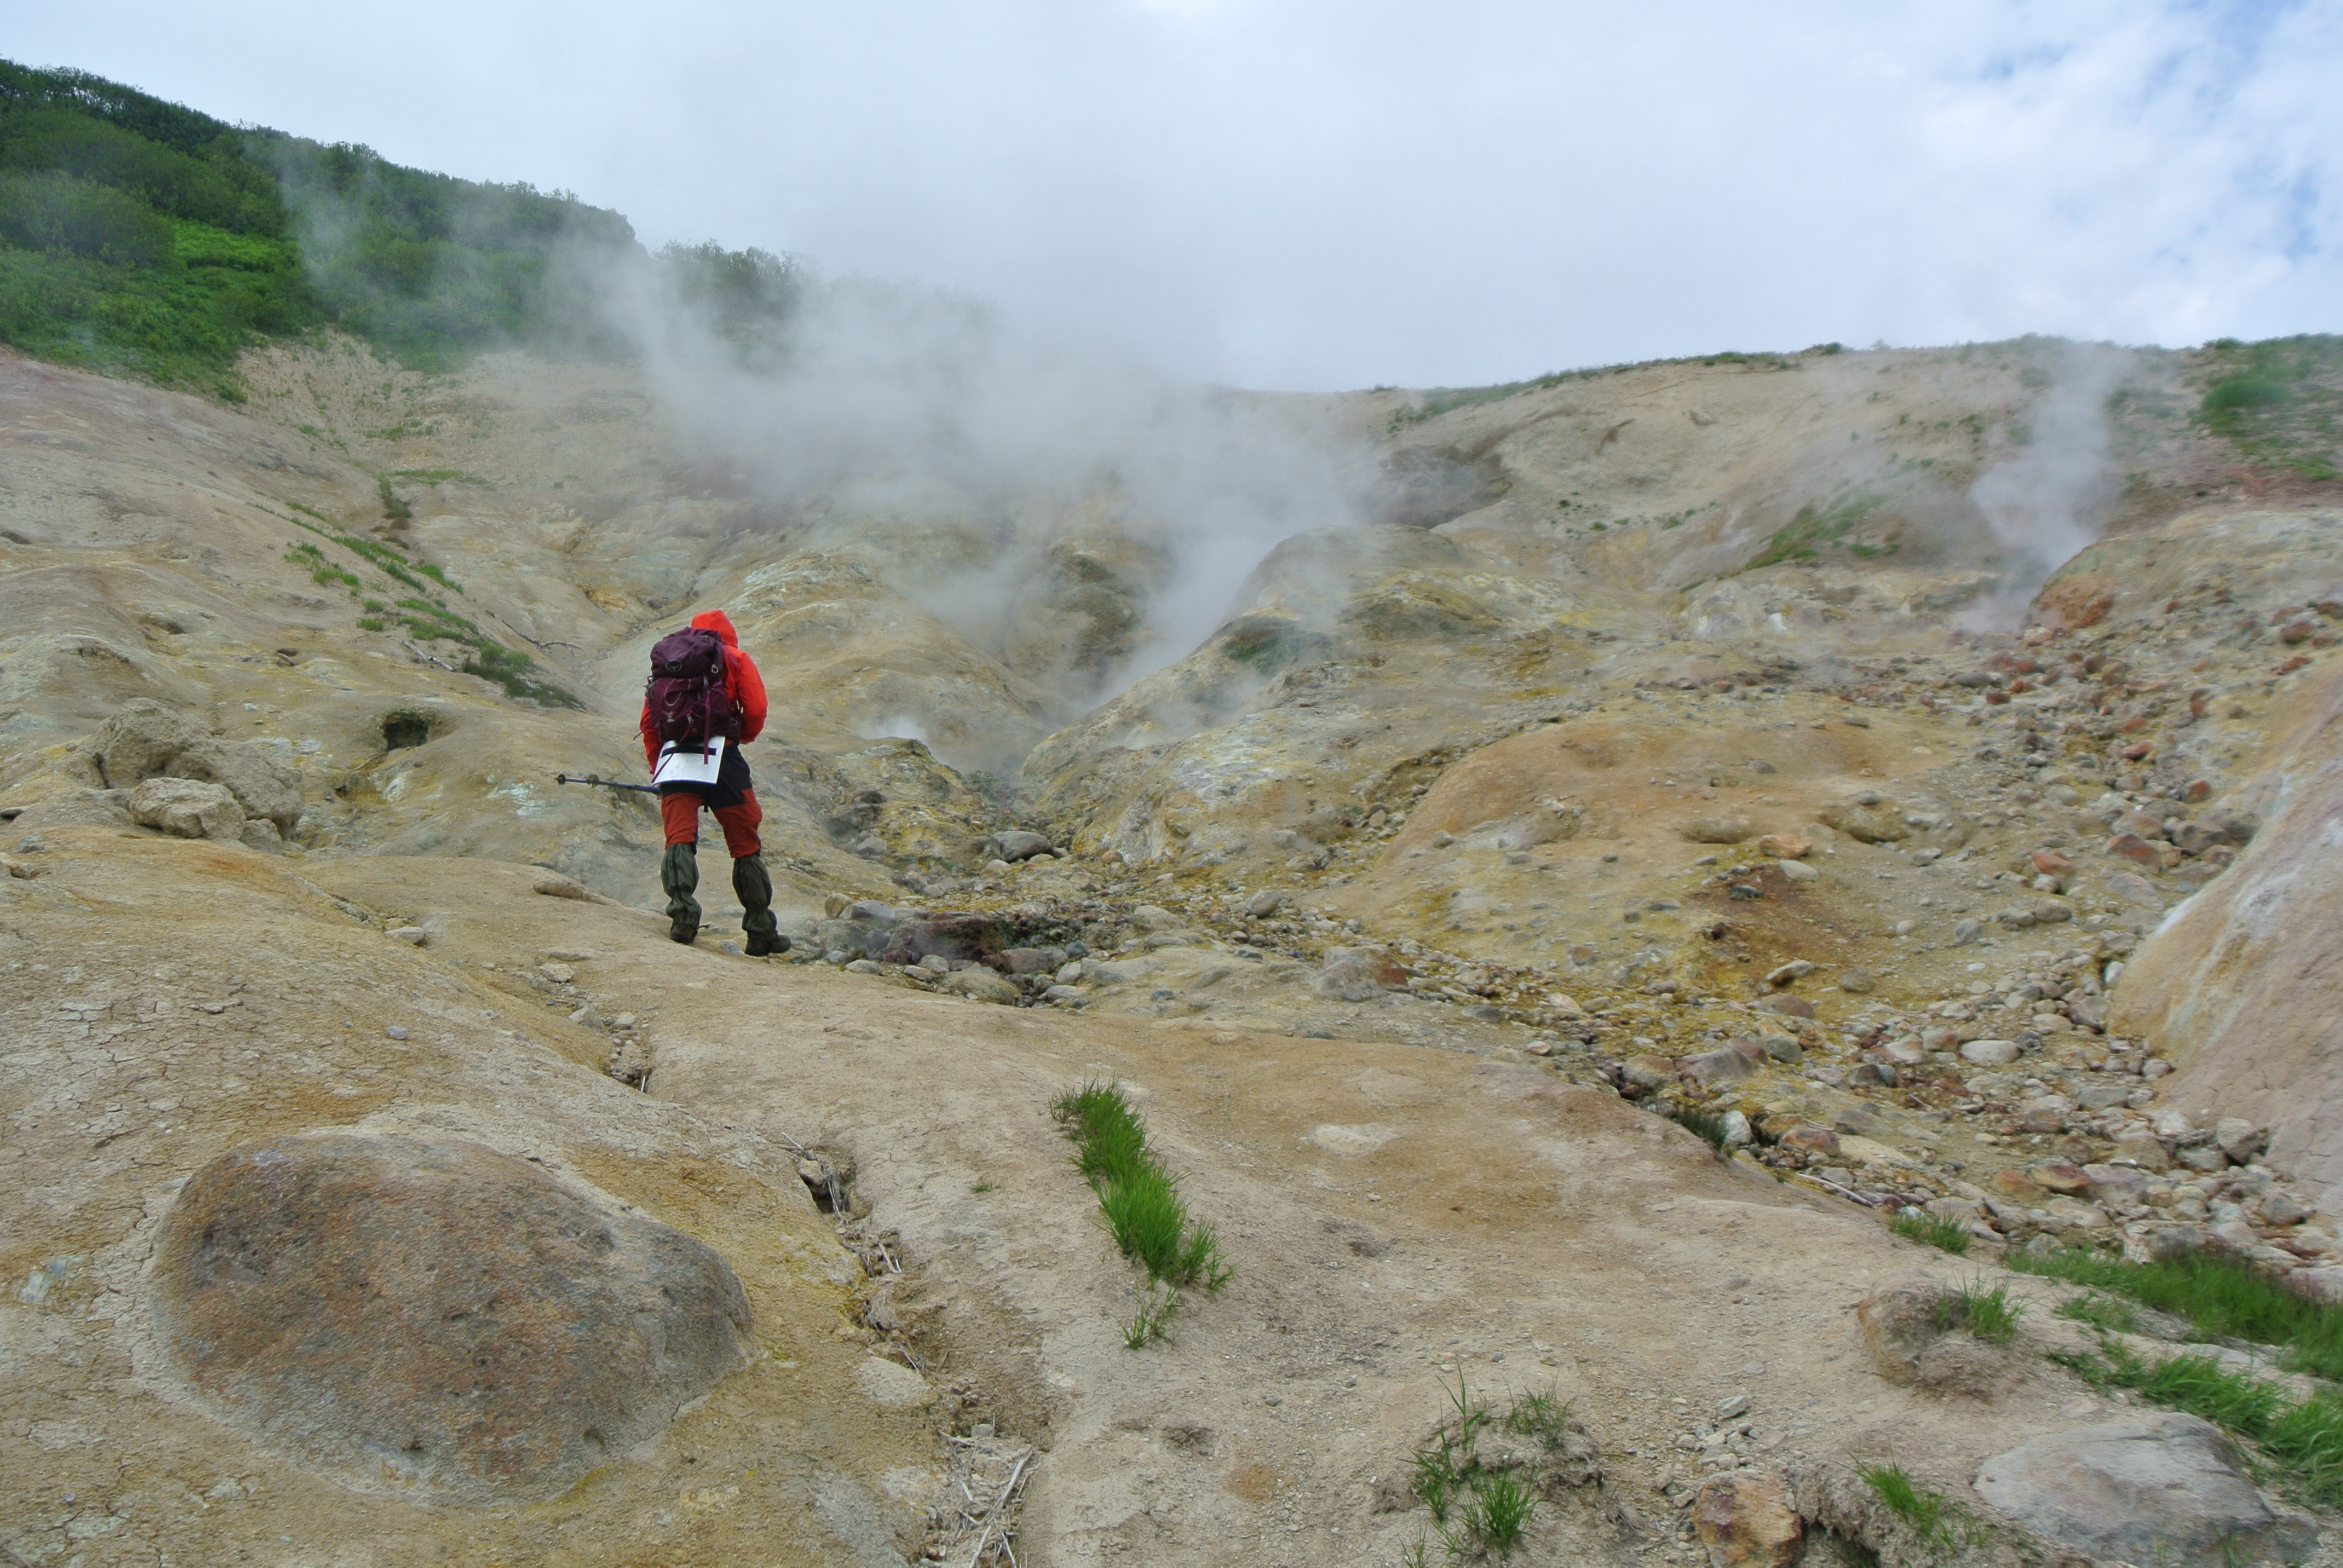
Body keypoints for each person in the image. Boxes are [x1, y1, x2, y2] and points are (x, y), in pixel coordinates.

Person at [639, 609, 786, 954]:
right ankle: (760, 931)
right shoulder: (735, 658)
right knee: (744, 843)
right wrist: (739, 738)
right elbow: (756, 709)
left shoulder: (671, 662)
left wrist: (659, 769)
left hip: (675, 759)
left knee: (679, 837)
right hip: (723, 758)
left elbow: (649, 722)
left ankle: (683, 918)